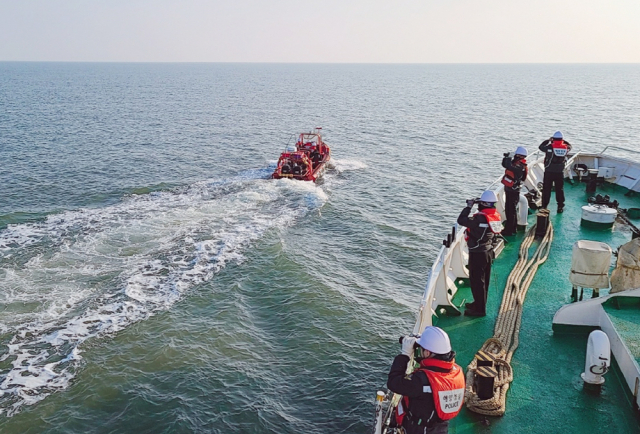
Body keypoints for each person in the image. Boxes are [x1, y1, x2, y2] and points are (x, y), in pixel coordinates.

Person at [388, 327, 465, 434]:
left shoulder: (421, 381)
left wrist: (404, 354)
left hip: (419, 429)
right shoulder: (457, 372)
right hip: (440, 428)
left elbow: (393, 383)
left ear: (427, 353)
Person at [457, 190, 502, 316]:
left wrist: (468, 207)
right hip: (487, 251)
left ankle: (479, 310)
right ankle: (478, 303)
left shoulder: (480, 218)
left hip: (478, 253)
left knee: (477, 281)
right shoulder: (494, 216)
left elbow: (461, 220)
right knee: (484, 281)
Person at [539, 131, 572, 212]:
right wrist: (563, 141)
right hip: (559, 172)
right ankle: (560, 206)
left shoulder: (550, 147)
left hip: (549, 171)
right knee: (559, 189)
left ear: (553, 139)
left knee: (547, 189)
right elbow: (570, 146)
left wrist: (548, 140)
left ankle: (544, 206)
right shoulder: (566, 148)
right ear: (562, 139)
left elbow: (541, 147)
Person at [501, 146, 529, 236]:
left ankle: (509, 230)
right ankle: (513, 228)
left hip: (513, 191)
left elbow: (508, 166)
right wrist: (506, 157)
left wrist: (508, 157)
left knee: (511, 211)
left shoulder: (520, 166)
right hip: (511, 190)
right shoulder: (517, 163)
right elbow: (505, 164)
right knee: (510, 209)